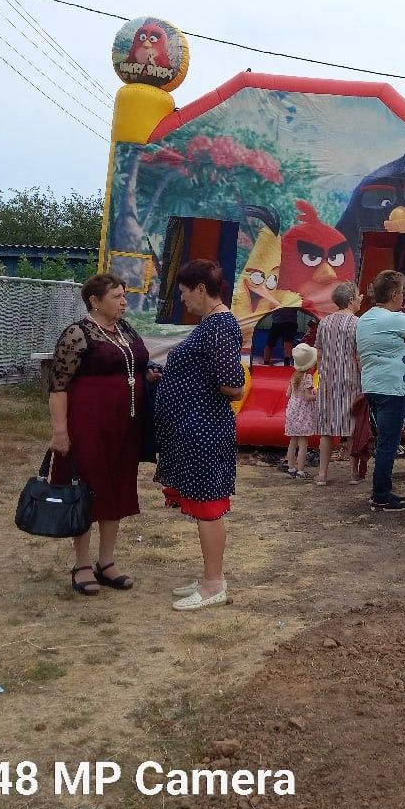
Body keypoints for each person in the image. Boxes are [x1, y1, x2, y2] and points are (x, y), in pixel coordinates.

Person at [48, 272, 151, 596]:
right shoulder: (77, 334)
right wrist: (60, 431)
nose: (124, 302)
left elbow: (134, 367)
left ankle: (106, 562)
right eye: (117, 296)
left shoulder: (125, 330)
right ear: (95, 300)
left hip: (124, 425)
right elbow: (58, 387)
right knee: (87, 490)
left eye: (124, 295)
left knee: (116, 487)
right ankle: (81, 563)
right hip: (88, 423)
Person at [153, 259, 248, 610]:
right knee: (202, 503)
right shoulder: (211, 324)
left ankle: (213, 584)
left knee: (209, 506)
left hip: (204, 429)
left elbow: (233, 385)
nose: (183, 300)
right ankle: (209, 575)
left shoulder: (220, 325)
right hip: (194, 428)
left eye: (183, 292)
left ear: (201, 289)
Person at [355, 269, 405, 512]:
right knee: (388, 444)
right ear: (393, 294)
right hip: (393, 388)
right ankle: (380, 495)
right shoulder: (396, 319)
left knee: (385, 440)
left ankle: (383, 489)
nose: (404, 297)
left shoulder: (366, 318)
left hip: (373, 385)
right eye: (402, 292)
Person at [312, 281, 361, 487]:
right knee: (353, 428)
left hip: (328, 381)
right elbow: (359, 356)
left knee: (327, 429)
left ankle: (322, 474)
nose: (361, 299)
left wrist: (322, 374)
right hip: (351, 380)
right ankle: (353, 473)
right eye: (358, 295)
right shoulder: (358, 323)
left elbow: (319, 354)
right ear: (351, 300)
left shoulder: (324, 322)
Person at [283, 342, 319, 479]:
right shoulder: (308, 377)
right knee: (303, 442)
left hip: (292, 410)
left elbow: (288, 394)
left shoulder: (294, 376)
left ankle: (291, 468)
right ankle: (300, 470)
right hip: (303, 413)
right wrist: (318, 396)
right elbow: (307, 397)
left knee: (293, 441)